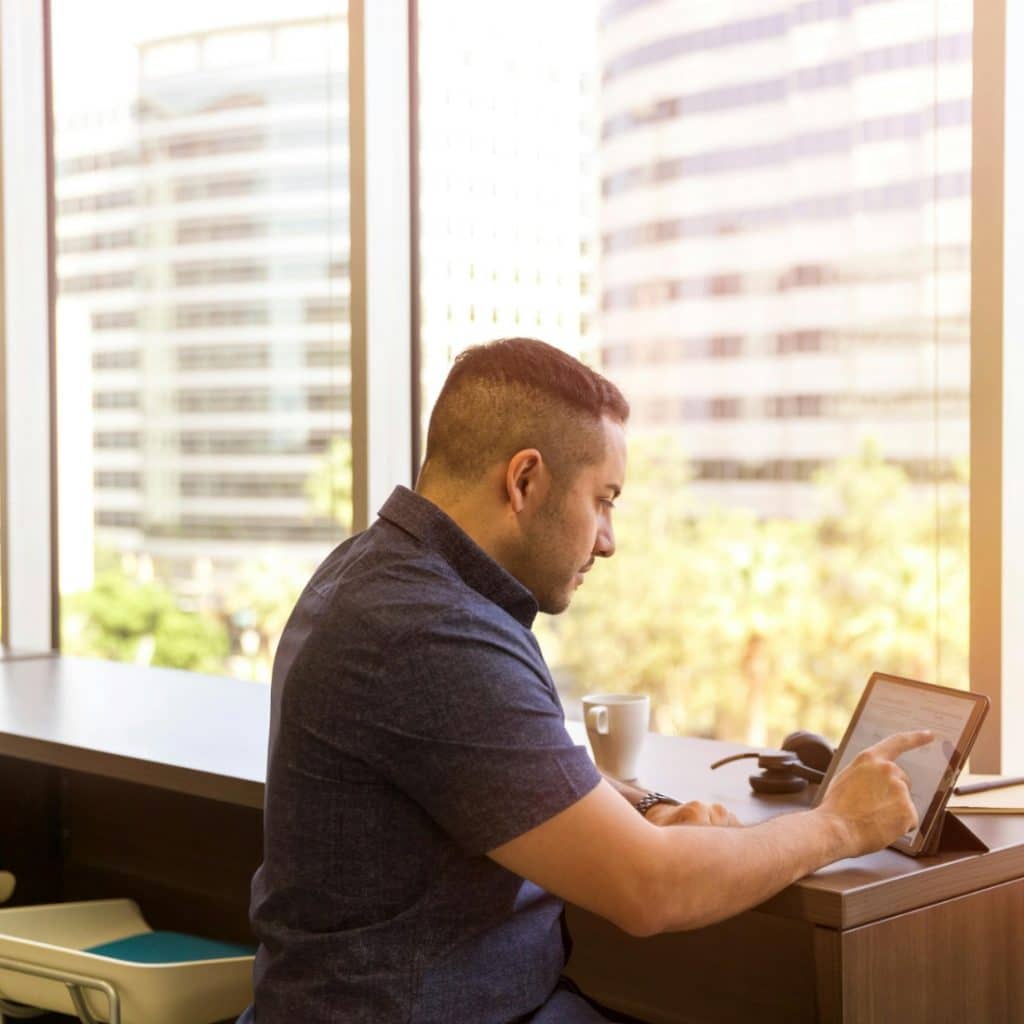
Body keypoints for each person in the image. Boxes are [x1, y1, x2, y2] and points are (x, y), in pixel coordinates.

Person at [237, 337, 930, 1023]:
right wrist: (838, 826)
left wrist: (645, 809)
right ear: (525, 481)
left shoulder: (376, 571)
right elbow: (650, 890)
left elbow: (492, 770)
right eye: (604, 500)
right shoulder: (431, 631)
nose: (607, 539)